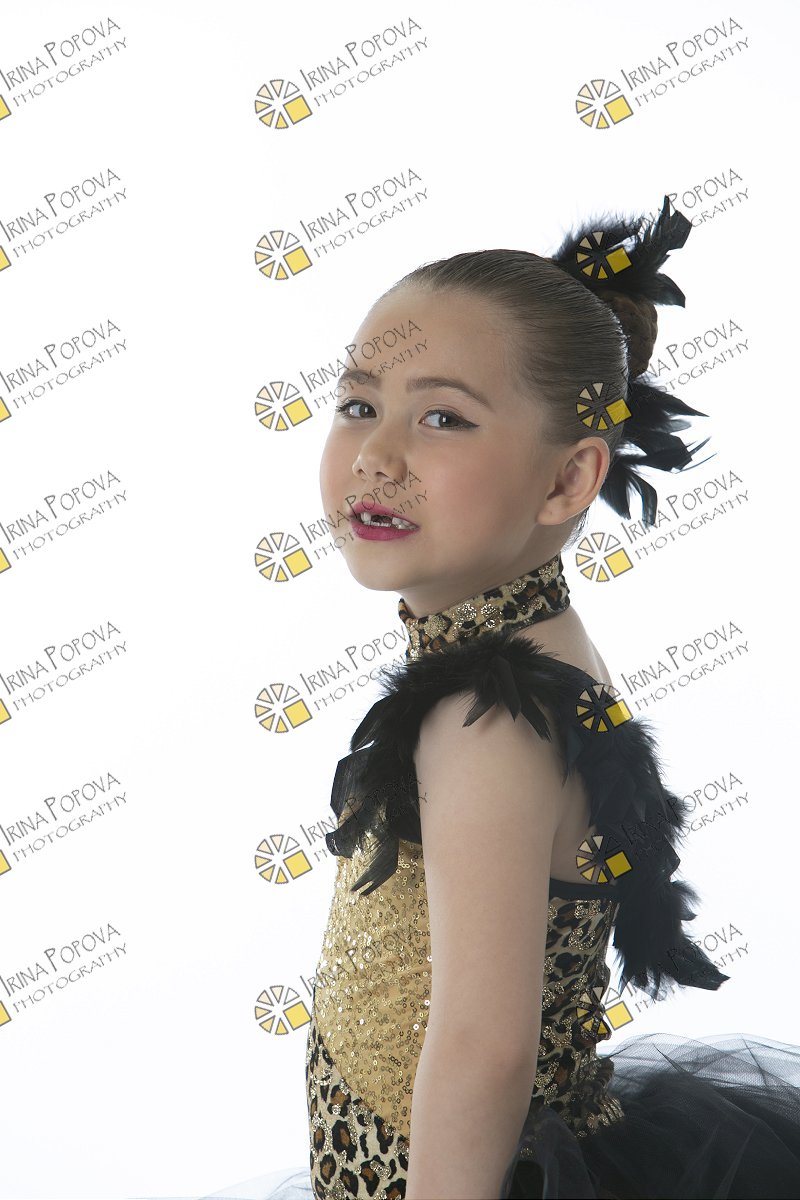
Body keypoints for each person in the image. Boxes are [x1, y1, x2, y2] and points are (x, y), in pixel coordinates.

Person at [219, 198, 800, 1200]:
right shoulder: (530, 653)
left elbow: (484, 1046)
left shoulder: (485, 719)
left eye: (441, 418)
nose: (376, 456)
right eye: (358, 404)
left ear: (567, 480)